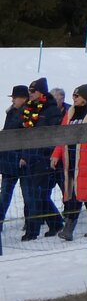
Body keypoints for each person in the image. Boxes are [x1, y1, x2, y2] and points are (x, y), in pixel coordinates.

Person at [50, 84, 87, 241]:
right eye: (73, 96)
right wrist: (56, 154)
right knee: (75, 194)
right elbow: (63, 136)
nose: (74, 99)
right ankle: (74, 228)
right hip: (71, 161)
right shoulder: (70, 113)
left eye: (77, 96)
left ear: (85, 97)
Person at [18, 77, 64, 240]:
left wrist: (50, 154)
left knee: (36, 194)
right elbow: (27, 134)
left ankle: (33, 230)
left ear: (41, 92)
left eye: (33, 90)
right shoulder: (29, 109)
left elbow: (55, 135)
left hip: (44, 157)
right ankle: (55, 222)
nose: (30, 93)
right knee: (37, 194)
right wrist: (25, 155)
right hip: (31, 155)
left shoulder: (51, 110)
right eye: (29, 91)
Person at [1, 86, 28, 232]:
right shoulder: (11, 112)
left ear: (23, 98)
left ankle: (40, 222)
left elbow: (29, 137)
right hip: (8, 160)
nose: (12, 100)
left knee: (28, 195)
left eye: (15, 97)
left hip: (20, 160)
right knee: (5, 193)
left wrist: (24, 155)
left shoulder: (28, 113)